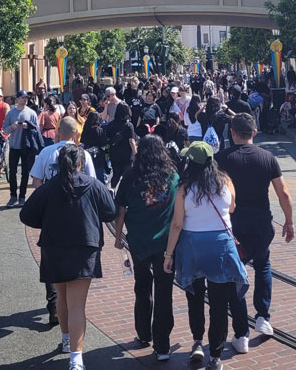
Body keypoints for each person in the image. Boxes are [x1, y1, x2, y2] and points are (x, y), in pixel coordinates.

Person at [20, 144, 117, 370]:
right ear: (80, 163)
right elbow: (110, 211)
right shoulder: (93, 185)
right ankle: (76, 358)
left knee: (61, 296)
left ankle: (66, 340)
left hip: (54, 247)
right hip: (85, 246)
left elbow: (26, 214)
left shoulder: (49, 187)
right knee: (77, 306)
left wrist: (43, 222)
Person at [163, 141, 248, 370]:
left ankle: (198, 342)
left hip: (193, 247)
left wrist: (168, 254)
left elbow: (177, 224)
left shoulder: (184, 188)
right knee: (219, 303)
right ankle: (216, 355)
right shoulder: (225, 181)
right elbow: (231, 208)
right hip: (220, 245)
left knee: (195, 296)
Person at [216, 113, 294, 348]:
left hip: (233, 225)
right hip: (262, 223)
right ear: (254, 133)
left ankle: (241, 335)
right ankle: (263, 316)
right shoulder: (268, 158)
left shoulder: (221, 159)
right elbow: (284, 193)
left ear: (232, 133)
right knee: (263, 265)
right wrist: (289, 221)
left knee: (235, 275)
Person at [114, 135, 179, 362]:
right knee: (164, 292)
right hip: (166, 245)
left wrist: (117, 237)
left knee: (142, 286)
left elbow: (120, 210)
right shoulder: (172, 176)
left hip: (139, 242)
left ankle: (143, 333)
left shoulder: (130, 177)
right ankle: (163, 345)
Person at [30, 117, 97, 327]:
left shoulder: (45, 152)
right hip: (78, 215)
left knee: (51, 261)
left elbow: (36, 182)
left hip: (52, 214)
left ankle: (55, 307)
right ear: (76, 133)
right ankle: (71, 305)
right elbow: (93, 183)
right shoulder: (83, 155)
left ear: (58, 132)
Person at [3, 90, 40, 207]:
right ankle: (13, 196)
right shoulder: (11, 113)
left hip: (26, 146)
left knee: (25, 172)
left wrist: (27, 127)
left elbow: (36, 130)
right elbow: (4, 129)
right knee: (12, 172)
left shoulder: (31, 113)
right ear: (17, 99)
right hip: (14, 146)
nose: (25, 100)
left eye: (26, 98)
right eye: (23, 98)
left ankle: (22, 196)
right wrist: (12, 127)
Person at [105, 101, 137, 189]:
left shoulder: (111, 124)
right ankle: (125, 194)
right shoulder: (129, 125)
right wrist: (135, 154)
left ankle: (112, 189)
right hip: (126, 155)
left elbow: (108, 138)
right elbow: (132, 141)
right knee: (127, 176)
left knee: (116, 174)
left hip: (114, 153)